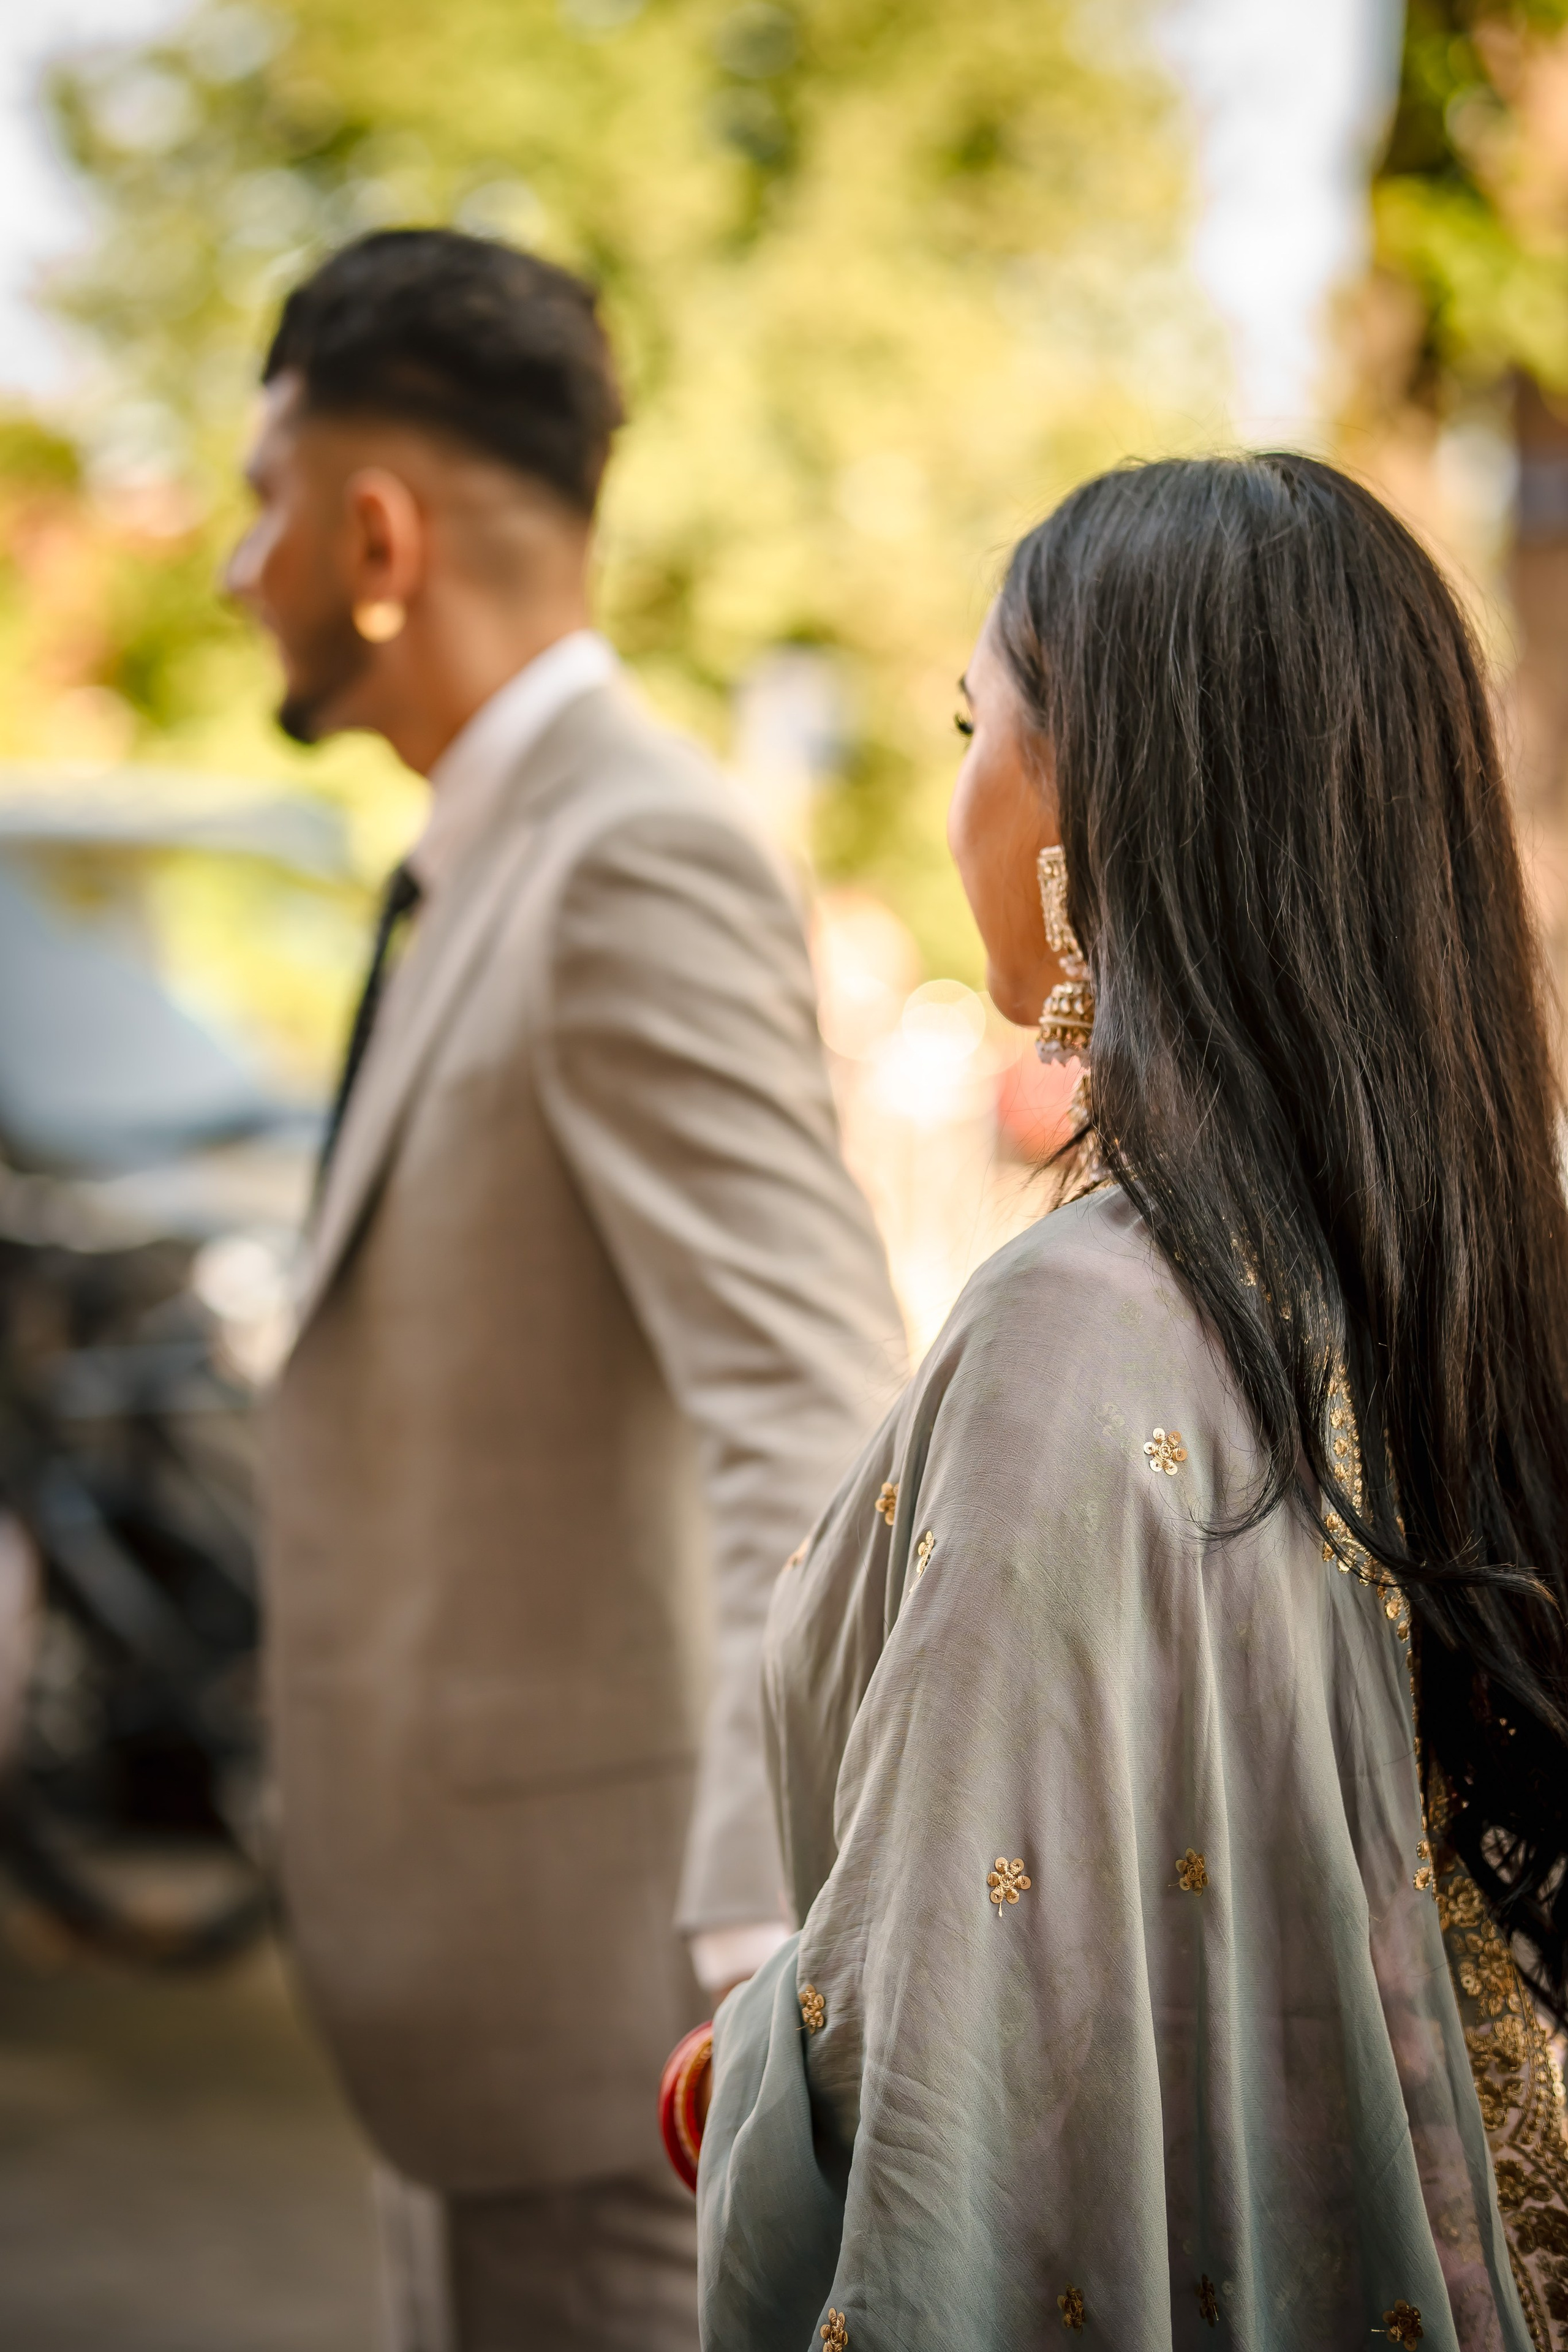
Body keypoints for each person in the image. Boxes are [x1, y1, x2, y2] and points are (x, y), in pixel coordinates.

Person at [695, 455, 1568, 2351]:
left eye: (968, 725)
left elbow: (959, 2101)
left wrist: (759, 2061)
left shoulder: (1081, 1335)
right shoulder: (1428, 1279)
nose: (954, 797)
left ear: (1089, 801)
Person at [226, 228, 906, 2351]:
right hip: (479, 2022)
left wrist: (747, 1967)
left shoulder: (630, 857)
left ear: (376, 533)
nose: (232, 562)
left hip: (617, 2049)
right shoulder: (491, 852)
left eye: (260, 501)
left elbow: (818, 1415)